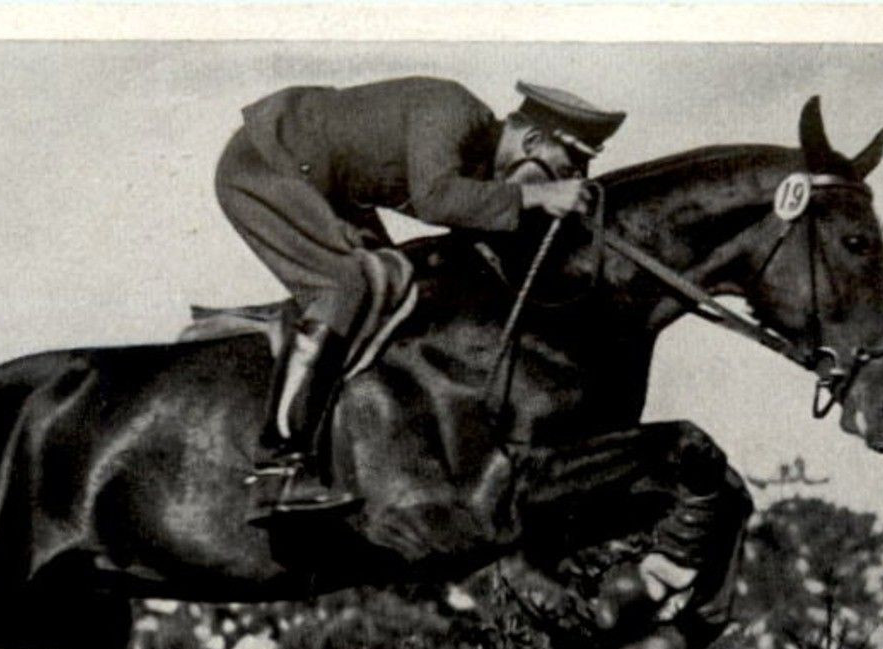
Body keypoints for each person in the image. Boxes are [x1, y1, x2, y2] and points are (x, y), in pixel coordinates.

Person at [215, 76, 627, 525]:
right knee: (345, 284)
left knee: (395, 279)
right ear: (530, 140)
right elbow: (436, 201)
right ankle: (278, 467)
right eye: (566, 169)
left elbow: (463, 209)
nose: (567, 182)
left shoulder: (469, 157)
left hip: (315, 181)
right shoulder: (453, 110)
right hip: (267, 162)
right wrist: (536, 194)